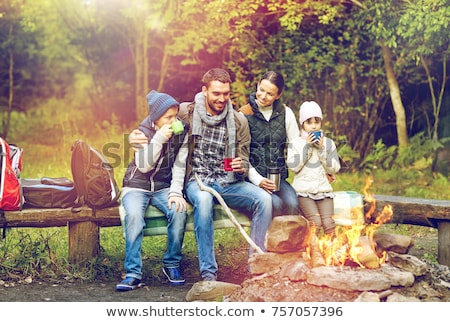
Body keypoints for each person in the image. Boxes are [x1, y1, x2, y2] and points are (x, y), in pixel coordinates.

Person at [178, 68, 273, 282]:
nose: (222, 99)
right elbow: (157, 120)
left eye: (226, 93)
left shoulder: (239, 121)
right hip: (198, 180)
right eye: (216, 93)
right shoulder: (187, 112)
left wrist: (240, 166)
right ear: (205, 91)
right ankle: (209, 274)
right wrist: (139, 135)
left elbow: (244, 159)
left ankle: (255, 267)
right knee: (203, 202)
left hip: (227, 181)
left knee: (264, 199)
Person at [116, 90, 189, 292]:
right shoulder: (141, 134)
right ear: (156, 119)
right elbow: (144, 166)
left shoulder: (181, 132)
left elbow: (180, 165)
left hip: (163, 188)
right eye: (168, 118)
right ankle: (133, 273)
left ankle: (172, 264)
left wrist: (175, 192)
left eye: (175, 116)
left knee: (179, 211)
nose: (173, 121)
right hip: (136, 186)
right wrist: (158, 139)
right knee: (133, 217)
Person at [239, 71, 300, 217]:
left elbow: (297, 146)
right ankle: (272, 240)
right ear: (258, 85)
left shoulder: (286, 113)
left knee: (293, 204)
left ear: (278, 95)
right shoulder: (243, 114)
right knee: (276, 204)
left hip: (278, 178)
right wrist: (258, 180)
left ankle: (289, 239)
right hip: (253, 179)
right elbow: (241, 154)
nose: (263, 96)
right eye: (261, 90)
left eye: (270, 94)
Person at [287, 101, 341, 237]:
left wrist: (323, 150)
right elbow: (293, 167)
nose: (313, 126)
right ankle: (311, 254)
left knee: (329, 223)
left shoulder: (328, 143)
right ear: (302, 124)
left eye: (317, 122)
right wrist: (308, 147)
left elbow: (335, 168)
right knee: (315, 222)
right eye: (309, 122)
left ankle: (333, 255)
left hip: (323, 190)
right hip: (303, 192)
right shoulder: (296, 143)